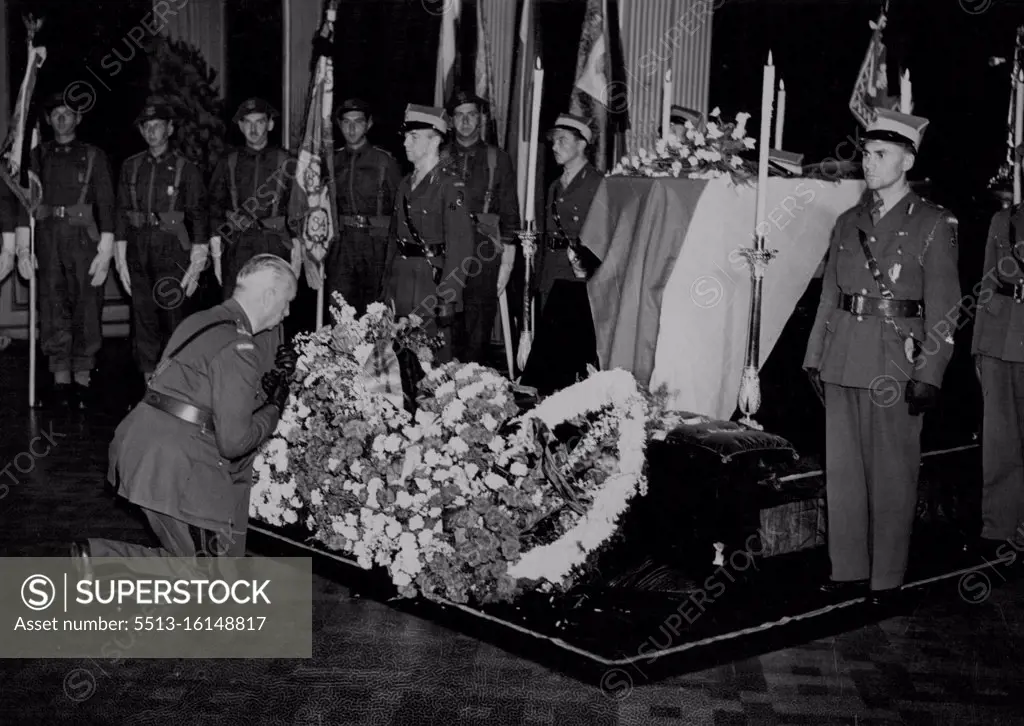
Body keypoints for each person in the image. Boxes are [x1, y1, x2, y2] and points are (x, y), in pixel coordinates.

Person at [803, 109, 961, 605]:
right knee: (844, 470)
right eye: (867, 154)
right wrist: (815, 357)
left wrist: (930, 372)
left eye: (881, 155)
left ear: (908, 159)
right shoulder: (848, 221)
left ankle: (887, 576)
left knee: (892, 471)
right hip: (845, 354)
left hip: (896, 358)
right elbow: (830, 293)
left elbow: (945, 306)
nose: (869, 164)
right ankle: (848, 567)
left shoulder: (933, 223)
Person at [72, 255, 298, 569]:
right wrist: (275, 406)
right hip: (177, 467)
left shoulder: (202, 320)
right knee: (213, 581)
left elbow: (197, 392)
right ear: (269, 296)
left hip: (141, 448)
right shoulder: (240, 348)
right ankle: (102, 562)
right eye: (287, 302)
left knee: (206, 572)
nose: (287, 312)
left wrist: (263, 388)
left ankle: (98, 561)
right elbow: (234, 441)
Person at [19, 93, 116, 409]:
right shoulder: (37, 155)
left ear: (79, 119)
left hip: (83, 238)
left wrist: (107, 246)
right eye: (56, 114)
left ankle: (83, 378)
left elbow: (106, 202)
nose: (61, 119)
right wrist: (23, 245)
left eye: (68, 114)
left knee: (86, 304)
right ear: (47, 120)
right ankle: (61, 378)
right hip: (48, 237)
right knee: (52, 302)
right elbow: (24, 200)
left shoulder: (92, 156)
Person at [114, 100, 209, 383]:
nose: (152, 132)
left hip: (172, 248)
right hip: (138, 245)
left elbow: (199, 214)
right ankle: (148, 379)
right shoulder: (130, 167)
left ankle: (175, 378)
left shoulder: (186, 168)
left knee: (172, 313)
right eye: (147, 127)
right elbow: (120, 211)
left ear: (170, 128)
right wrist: (119, 255)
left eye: (158, 126)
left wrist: (199, 256)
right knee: (143, 314)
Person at [380, 104, 475, 363]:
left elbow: (461, 246)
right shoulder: (404, 184)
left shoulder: (450, 186)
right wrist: (386, 289)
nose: (405, 142)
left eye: (414, 137)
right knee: (399, 358)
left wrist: (449, 296)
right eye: (405, 136)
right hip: (401, 282)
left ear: (435, 141)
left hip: (430, 285)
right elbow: (393, 241)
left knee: (433, 360)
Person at [520, 113, 603, 394]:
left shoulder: (599, 184)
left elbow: (605, 235)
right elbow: (543, 236)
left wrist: (589, 269)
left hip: (578, 280)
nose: (555, 146)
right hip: (551, 275)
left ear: (582, 145)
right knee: (549, 355)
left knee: (575, 354)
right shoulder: (555, 186)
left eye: (563, 140)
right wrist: (536, 280)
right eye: (554, 140)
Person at [440, 90, 518, 365]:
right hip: (445, 247)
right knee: (446, 321)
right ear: (450, 121)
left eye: (471, 115)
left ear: (481, 119)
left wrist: (508, 255)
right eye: (459, 116)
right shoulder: (438, 156)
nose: (465, 122)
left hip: (483, 249)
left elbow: (509, 209)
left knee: (478, 323)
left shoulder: (498, 159)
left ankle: (472, 386)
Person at [971, 147, 1024, 556]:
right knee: (999, 440)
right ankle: (999, 528)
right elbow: (987, 283)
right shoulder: (1003, 221)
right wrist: (979, 348)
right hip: (1000, 339)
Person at [209, 97, 300, 299]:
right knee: (237, 307)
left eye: (259, 122)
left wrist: (297, 247)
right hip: (237, 245)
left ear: (270, 124)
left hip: (274, 244)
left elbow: (297, 206)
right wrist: (216, 251)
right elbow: (215, 206)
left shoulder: (286, 161)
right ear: (241, 126)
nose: (254, 129)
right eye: (248, 123)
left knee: (273, 306)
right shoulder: (228, 162)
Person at [325, 98, 402, 316]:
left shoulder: (385, 162)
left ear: (368, 124)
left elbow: (400, 207)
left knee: (376, 311)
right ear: (339, 125)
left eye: (358, 121)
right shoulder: (332, 162)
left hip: (376, 244)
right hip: (342, 245)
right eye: (346, 122)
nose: (351, 128)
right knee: (340, 310)